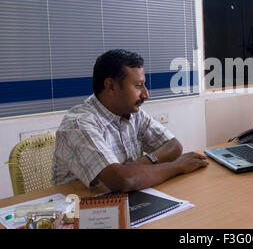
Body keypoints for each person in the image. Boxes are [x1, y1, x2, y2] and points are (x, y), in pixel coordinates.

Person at [51, 49, 208, 192]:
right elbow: (123, 181)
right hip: (79, 210)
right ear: (110, 86)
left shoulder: (133, 113)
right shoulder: (78, 124)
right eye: (138, 86)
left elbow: (174, 146)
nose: (146, 94)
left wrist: (135, 167)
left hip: (129, 197)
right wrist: (177, 166)